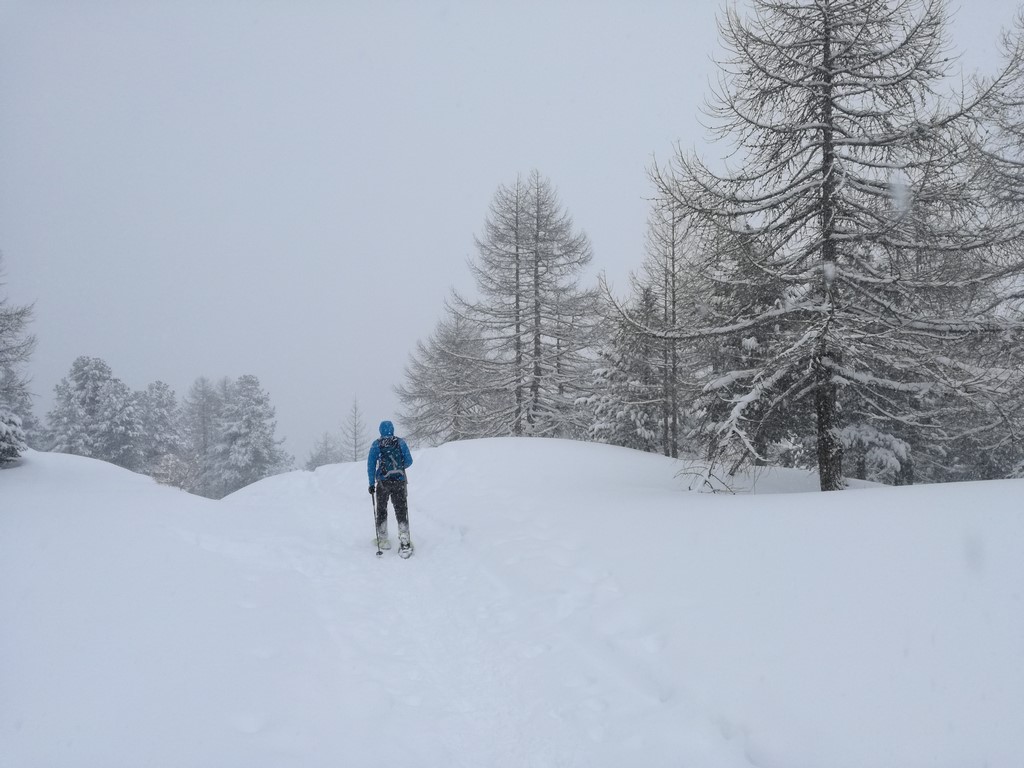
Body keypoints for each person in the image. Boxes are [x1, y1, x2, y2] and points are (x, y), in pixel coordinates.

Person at [367, 420, 414, 554]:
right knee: (400, 509)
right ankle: (404, 539)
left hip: (383, 483)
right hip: (399, 481)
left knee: (381, 509)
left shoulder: (376, 445)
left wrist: (371, 483)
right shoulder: (400, 442)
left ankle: (383, 539)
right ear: (392, 429)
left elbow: (370, 465)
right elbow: (409, 461)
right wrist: (399, 467)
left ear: (380, 430)